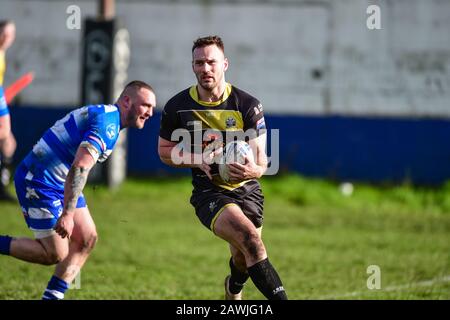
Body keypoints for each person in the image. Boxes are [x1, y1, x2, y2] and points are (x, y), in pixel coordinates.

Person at [0, 80, 156, 300]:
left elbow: (77, 167)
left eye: (152, 107)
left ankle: (52, 297)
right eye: (146, 105)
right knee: (53, 253)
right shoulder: (108, 125)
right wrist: (68, 214)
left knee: (86, 238)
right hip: (38, 181)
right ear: (127, 101)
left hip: (58, 180)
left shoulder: (108, 118)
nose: (150, 112)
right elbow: (81, 167)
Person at [158, 35, 287, 300]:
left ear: (225, 64)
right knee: (252, 241)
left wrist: (254, 171)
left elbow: (262, 159)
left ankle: (233, 289)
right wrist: (198, 160)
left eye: (211, 62)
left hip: (247, 189)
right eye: (199, 63)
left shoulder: (247, 105)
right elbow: (164, 152)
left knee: (243, 256)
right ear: (192, 66)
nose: (205, 68)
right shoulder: (178, 107)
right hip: (209, 192)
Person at [0, 20, 17, 201]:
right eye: (3, 34)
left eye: (10, 34)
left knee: (9, 144)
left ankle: (2, 187)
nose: (6, 38)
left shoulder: (2, 53)